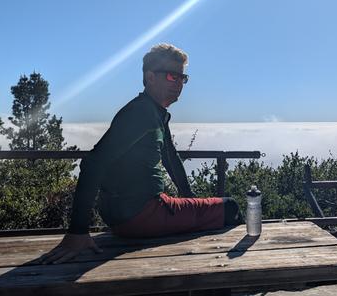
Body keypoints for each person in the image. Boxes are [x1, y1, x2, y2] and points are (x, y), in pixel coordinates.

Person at [39, 43, 242, 265]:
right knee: (230, 207)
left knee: (208, 209)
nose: (179, 84)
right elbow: (93, 163)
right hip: (142, 213)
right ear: (150, 76)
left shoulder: (154, 112)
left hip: (127, 215)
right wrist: (77, 231)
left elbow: (170, 159)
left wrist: (188, 196)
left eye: (182, 78)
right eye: (171, 76)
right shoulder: (141, 113)